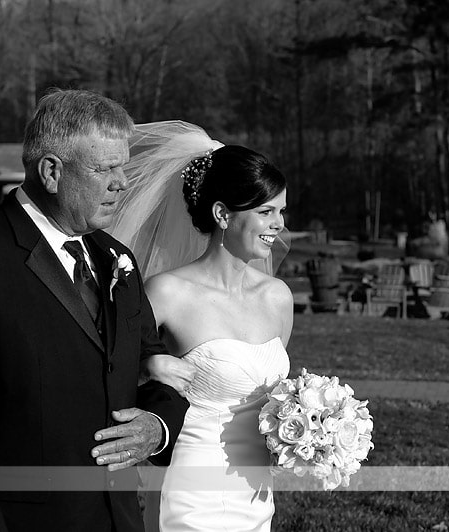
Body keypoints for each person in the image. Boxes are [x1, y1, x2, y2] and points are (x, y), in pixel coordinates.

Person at [0, 90, 189, 532]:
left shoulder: (117, 258)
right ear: (51, 171)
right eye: (105, 169)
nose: (122, 182)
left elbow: (156, 367)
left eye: (123, 166)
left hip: (119, 518)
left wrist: (157, 426)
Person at [109, 122, 293, 531]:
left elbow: (277, 396)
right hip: (190, 489)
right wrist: (149, 366)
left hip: (256, 489)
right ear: (222, 214)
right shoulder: (168, 292)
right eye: (266, 212)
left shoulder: (278, 298)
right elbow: (111, 369)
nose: (279, 224)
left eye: (281, 211)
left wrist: (304, 429)